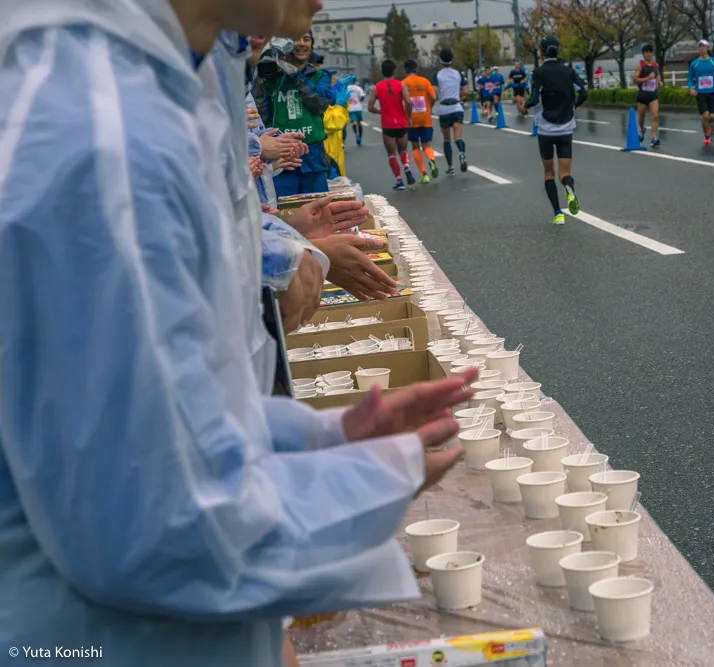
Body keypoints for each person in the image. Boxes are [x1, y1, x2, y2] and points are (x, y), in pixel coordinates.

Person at [0, 3, 475, 667]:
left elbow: (162, 410)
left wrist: (324, 436)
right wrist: (374, 474)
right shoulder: (102, 135)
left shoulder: (138, 89)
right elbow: (150, 525)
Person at [254, 30, 334, 196]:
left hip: (313, 160)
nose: (301, 44)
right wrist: (259, 81)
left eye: (306, 39)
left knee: (319, 212)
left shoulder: (319, 76)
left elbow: (319, 105)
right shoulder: (271, 77)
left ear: (311, 45)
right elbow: (261, 116)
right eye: (296, 39)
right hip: (281, 161)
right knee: (284, 215)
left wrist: (295, 75)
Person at [519, 36, 588, 226]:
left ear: (541, 52)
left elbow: (533, 98)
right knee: (564, 173)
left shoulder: (539, 72)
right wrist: (573, 106)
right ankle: (569, 187)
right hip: (566, 127)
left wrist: (525, 105)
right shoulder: (568, 71)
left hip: (546, 129)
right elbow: (583, 92)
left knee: (549, 172)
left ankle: (558, 213)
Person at [369, 59, 415, 191]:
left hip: (387, 124)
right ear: (394, 71)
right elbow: (409, 102)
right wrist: (408, 116)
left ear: (382, 72)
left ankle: (399, 180)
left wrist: (380, 111)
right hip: (401, 123)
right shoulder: (401, 85)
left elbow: (370, 107)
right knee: (403, 150)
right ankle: (406, 166)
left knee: (391, 154)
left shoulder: (376, 88)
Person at [402, 59, 439, 183]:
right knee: (427, 144)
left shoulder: (403, 83)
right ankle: (431, 160)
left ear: (405, 70)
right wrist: (430, 106)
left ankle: (424, 174)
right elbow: (433, 96)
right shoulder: (425, 81)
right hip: (425, 116)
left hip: (411, 118)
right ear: (416, 69)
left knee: (415, 146)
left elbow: (403, 102)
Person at [433, 49, 470, 175]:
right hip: (456, 106)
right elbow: (466, 91)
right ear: (452, 60)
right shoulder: (458, 74)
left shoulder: (437, 75)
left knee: (447, 139)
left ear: (440, 60)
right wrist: (458, 94)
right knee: (458, 137)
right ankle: (462, 153)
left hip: (444, 108)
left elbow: (433, 92)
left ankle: (450, 166)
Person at [688, 40, 714, 145]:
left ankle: (706, 124)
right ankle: (706, 135)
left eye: (703, 47)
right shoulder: (694, 63)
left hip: (712, 92)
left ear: (707, 48)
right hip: (701, 93)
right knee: (705, 115)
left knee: (712, 116)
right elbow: (690, 78)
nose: (701, 49)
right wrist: (691, 88)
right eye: (700, 47)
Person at [633, 44, 662, 147]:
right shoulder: (640, 66)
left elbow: (657, 74)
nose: (649, 54)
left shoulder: (655, 65)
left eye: (650, 52)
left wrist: (659, 81)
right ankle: (642, 129)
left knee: (655, 115)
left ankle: (654, 138)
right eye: (646, 52)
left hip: (653, 95)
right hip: (642, 95)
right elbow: (634, 80)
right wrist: (647, 78)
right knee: (642, 117)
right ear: (643, 54)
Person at [347, 79, 366, 145]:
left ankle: (356, 134)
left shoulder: (346, 88)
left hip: (350, 108)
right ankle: (360, 137)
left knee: (354, 123)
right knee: (359, 123)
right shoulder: (358, 88)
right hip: (358, 107)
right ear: (355, 81)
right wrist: (359, 100)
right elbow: (362, 96)